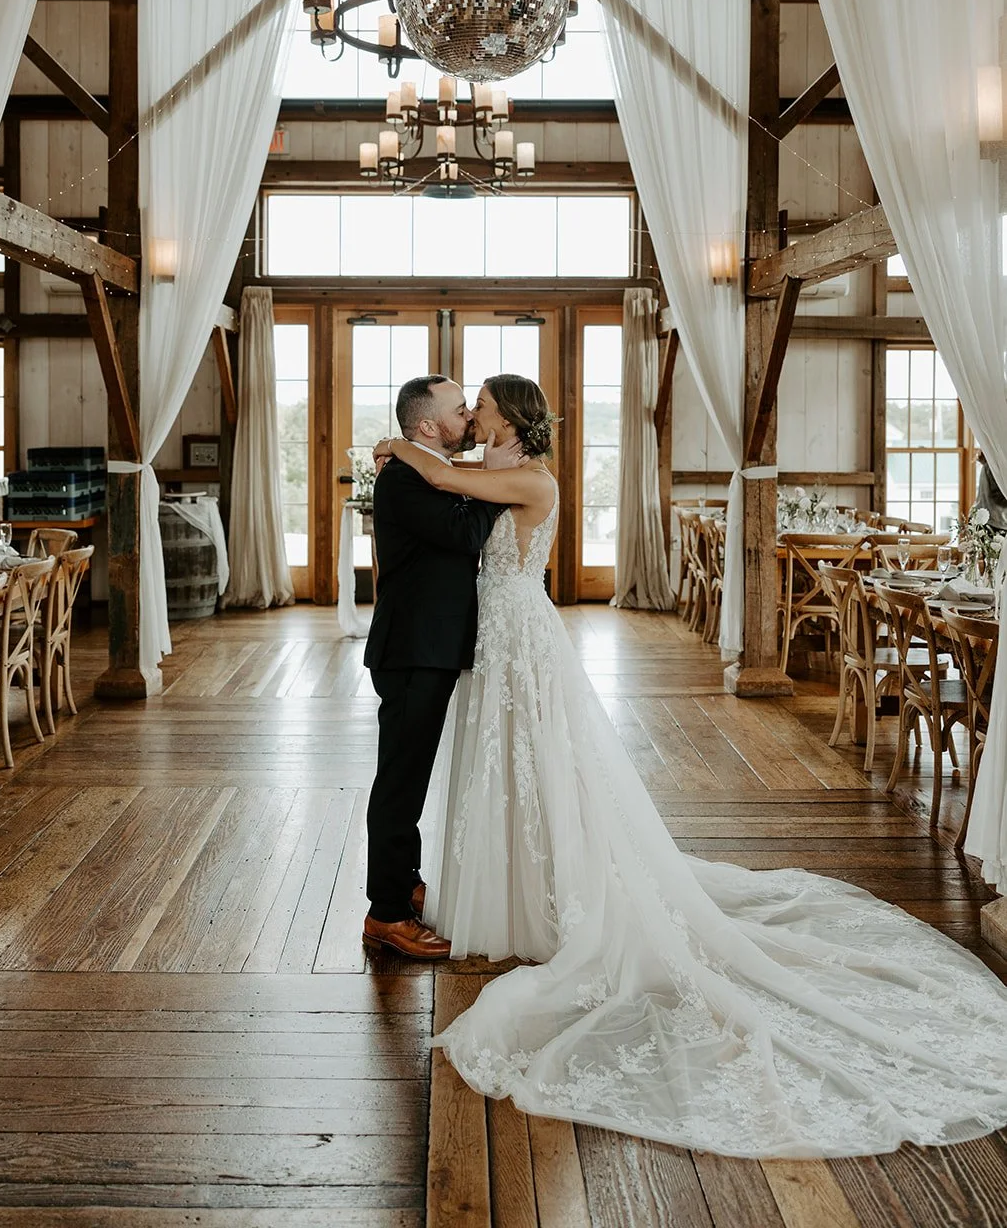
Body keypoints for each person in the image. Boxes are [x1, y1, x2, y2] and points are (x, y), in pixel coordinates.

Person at [374, 374, 1007, 1159]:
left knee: (543, 767)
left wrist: (396, 445)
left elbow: (442, 475)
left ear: (509, 419)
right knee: (505, 771)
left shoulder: (530, 478)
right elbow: (451, 479)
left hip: (520, 644)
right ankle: (507, 887)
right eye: (465, 408)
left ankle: (546, 891)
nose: (473, 415)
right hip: (491, 644)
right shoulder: (489, 469)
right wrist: (405, 452)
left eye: (483, 407)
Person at [361, 373, 522, 961]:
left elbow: (457, 500)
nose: (469, 420)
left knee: (411, 776)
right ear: (428, 426)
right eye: (460, 410)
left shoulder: (426, 468)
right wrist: (505, 486)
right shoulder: (404, 479)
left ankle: (404, 884)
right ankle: (385, 913)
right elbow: (463, 533)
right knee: (400, 783)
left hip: (431, 648)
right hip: (411, 651)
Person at [975, 448, 1007, 534]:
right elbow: (997, 496)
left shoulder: (990, 466)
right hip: (994, 522)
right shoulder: (994, 468)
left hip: (986, 519)